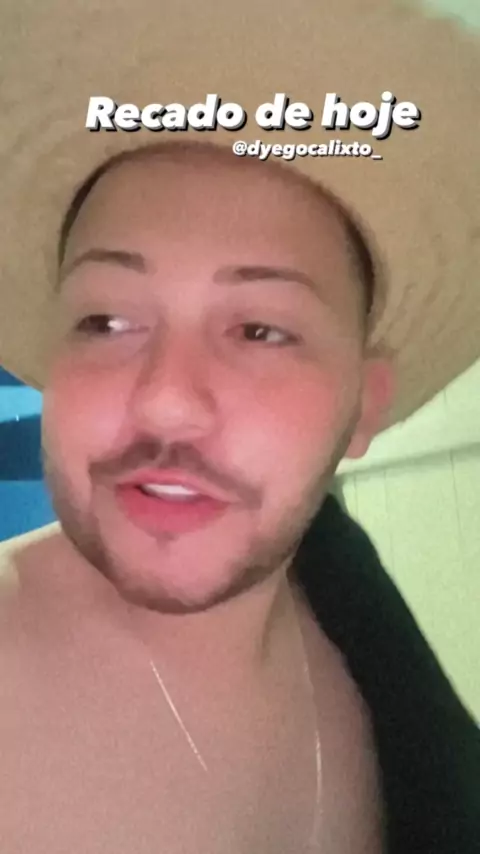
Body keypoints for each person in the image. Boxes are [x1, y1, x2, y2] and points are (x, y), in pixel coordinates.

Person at [0, 1, 479, 852]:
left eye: (260, 330)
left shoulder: (358, 629)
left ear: (364, 405)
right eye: (105, 320)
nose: (165, 402)